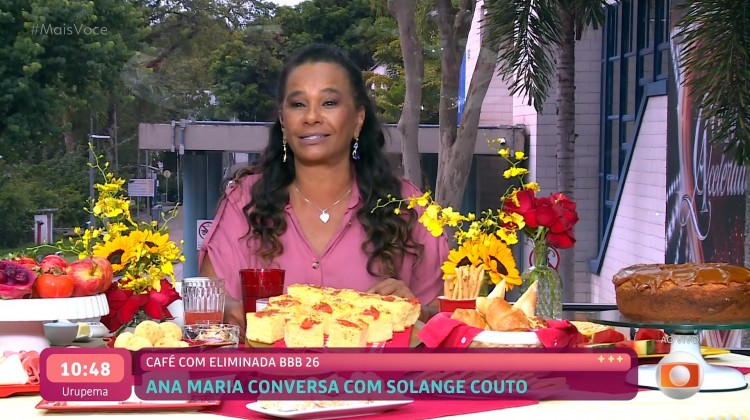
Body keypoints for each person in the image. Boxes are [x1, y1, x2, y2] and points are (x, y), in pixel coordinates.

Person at [199, 43, 449, 331]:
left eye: (329, 103)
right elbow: (209, 302)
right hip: (267, 362)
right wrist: (231, 311)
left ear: (358, 119)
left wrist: (415, 310)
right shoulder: (245, 201)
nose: (311, 117)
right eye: (298, 104)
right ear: (283, 122)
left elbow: (451, 319)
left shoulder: (407, 205)